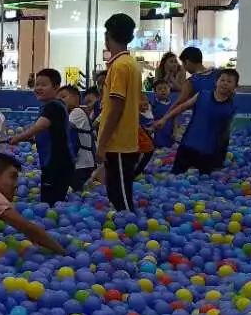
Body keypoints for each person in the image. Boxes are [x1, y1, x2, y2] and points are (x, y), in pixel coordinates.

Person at [96, 12, 142, 213]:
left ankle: (129, 231)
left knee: (121, 196)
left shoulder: (120, 66)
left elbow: (116, 107)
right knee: (116, 191)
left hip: (119, 142)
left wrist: (102, 142)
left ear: (108, 36)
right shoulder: (129, 63)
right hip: (123, 140)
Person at [11, 68, 78, 207]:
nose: (38, 88)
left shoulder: (53, 106)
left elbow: (40, 126)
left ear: (56, 88)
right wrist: (33, 138)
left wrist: (19, 137)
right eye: (37, 84)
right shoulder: (54, 106)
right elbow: (51, 131)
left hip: (58, 163)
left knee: (50, 200)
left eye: (43, 85)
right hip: (58, 162)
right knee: (52, 197)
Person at [164, 68, 239, 175]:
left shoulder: (231, 107)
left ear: (235, 87)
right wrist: (164, 119)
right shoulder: (202, 95)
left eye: (229, 81)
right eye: (222, 80)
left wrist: (220, 157)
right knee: (175, 174)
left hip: (208, 152)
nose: (225, 83)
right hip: (188, 146)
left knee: (205, 181)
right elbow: (182, 107)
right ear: (216, 82)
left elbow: (225, 133)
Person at [136, 77, 176, 175]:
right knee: (154, 150)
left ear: (169, 90)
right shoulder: (153, 105)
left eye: (165, 88)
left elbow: (174, 119)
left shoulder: (173, 105)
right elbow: (147, 118)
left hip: (168, 132)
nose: (163, 91)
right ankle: (151, 167)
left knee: (166, 152)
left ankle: (163, 167)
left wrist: (175, 131)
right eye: (160, 89)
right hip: (157, 133)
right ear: (154, 92)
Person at [61, 84, 96, 191]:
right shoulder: (72, 113)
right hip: (80, 163)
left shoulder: (77, 112)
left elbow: (62, 129)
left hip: (83, 163)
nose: (60, 101)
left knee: (76, 191)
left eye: (63, 97)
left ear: (76, 97)